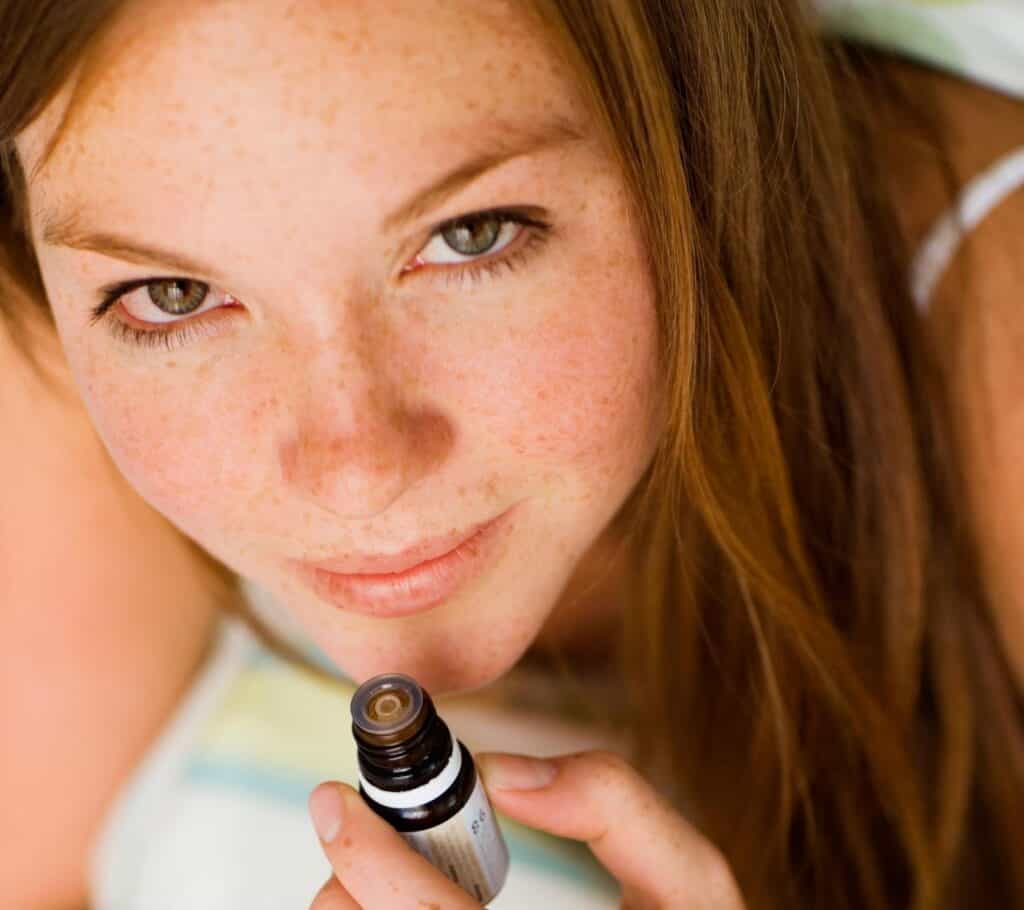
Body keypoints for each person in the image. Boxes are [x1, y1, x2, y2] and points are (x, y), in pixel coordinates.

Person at [1, 1, 1021, 908]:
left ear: (697, 129)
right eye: (173, 297)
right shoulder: (51, 360)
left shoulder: (991, 336)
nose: (356, 473)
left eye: (470, 235)